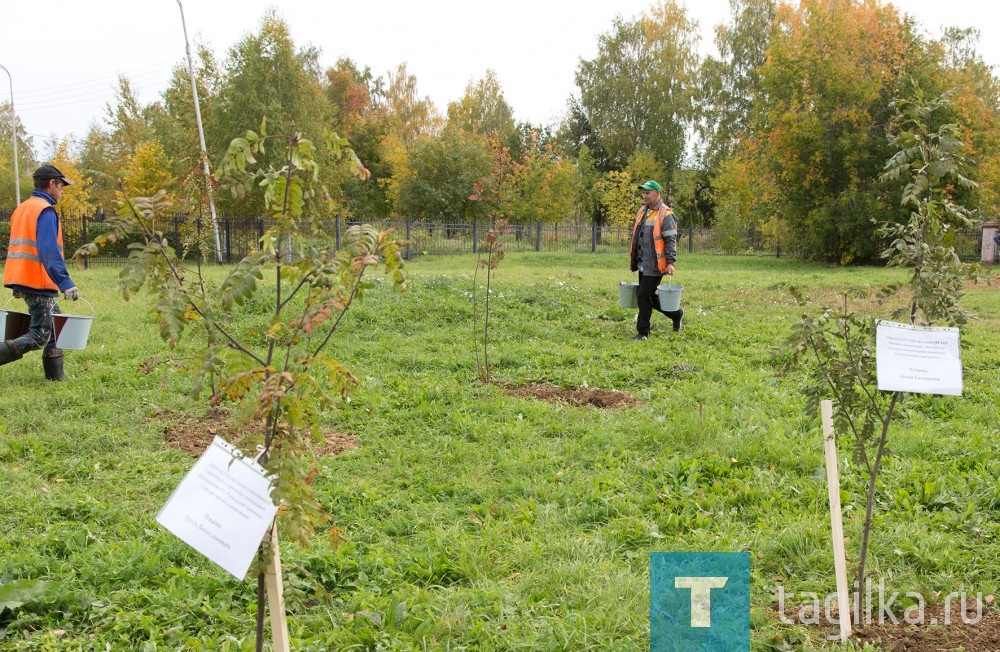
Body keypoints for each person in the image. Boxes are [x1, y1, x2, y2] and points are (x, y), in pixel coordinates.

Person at [1, 164, 80, 380]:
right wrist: (65, 282)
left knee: (54, 323)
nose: (62, 190)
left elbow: (18, 248)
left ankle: (56, 377)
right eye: (61, 185)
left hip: (25, 279)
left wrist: (17, 284)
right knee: (39, 335)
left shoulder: (23, 208)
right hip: (38, 280)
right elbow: (48, 251)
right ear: (52, 184)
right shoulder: (44, 210)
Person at [628, 179, 682, 340]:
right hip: (643, 262)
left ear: (657, 194)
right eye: (643, 193)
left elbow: (670, 240)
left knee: (643, 295)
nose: (644, 196)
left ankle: (643, 332)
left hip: (656, 263)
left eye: (648, 193)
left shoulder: (666, 213)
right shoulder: (642, 211)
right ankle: (676, 314)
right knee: (648, 296)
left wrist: (671, 262)